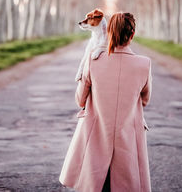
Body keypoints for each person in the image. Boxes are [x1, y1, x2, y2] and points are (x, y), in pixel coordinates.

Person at [59, 12, 152, 192]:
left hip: (95, 137)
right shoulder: (144, 64)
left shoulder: (93, 60)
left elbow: (80, 100)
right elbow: (145, 100)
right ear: (132, 35)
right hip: (128, 138)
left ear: (109, 32)